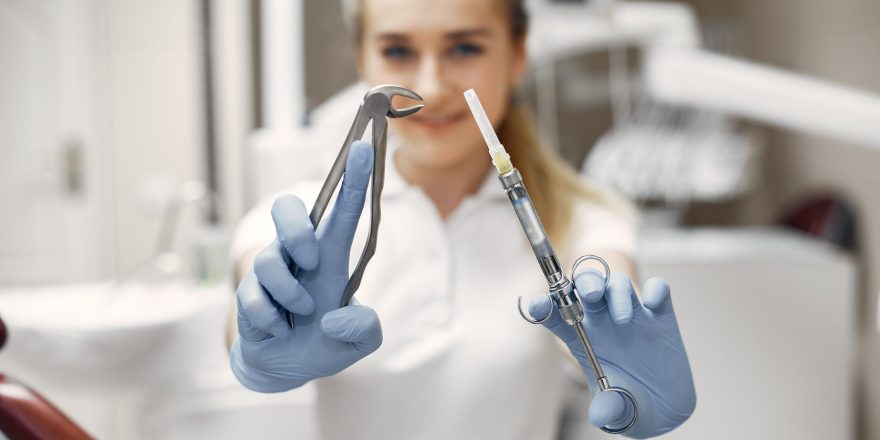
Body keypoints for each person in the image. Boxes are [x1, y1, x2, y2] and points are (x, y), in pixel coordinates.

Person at [227, 0, 696, 438]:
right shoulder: (300, 222)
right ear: (363, 61)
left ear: (518, 55)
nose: (431, 87)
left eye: (465, 48)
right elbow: (245, 302)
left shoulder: (584, 220)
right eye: (397, 51)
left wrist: (624, 373)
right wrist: (259, 354)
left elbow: (609, 289)